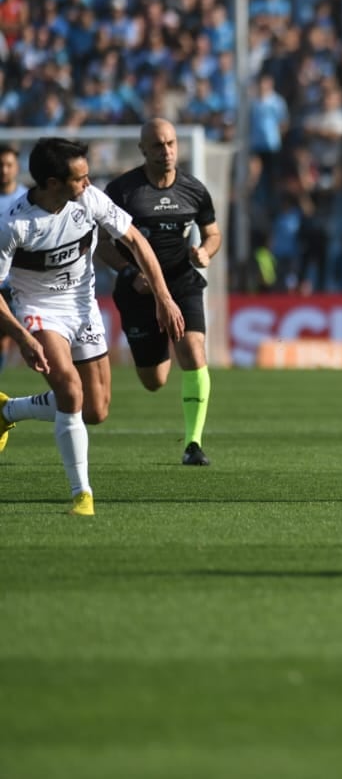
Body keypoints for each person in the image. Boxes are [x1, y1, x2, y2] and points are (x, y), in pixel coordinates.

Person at [0, 137, 184, 515]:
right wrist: (21, 336)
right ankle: (82, 494)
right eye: (79, 178)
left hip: (83, 308)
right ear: (52, 183)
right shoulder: (14, 225)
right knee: (69, 389)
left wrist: (164, 298)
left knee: (95, 410)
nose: (87, 183)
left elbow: (135, 241)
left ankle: (7, 412)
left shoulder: (90, 200)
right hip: (38, 309)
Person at [95, 119, 221, 465]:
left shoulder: (194, 190)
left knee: (194, 352)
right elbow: (102, 245)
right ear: (143, 150)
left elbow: (212, 233)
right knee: (154, 380)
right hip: (138, 289)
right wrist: (129, 271)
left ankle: (193, 444)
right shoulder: (123, 192)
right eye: (158, 146)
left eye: (171, 144)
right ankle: (156, 348)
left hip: (182, 283)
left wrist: (205, 253)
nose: (166, 152)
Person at [0, 145, 27, 374]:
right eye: (1, 165)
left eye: (9, 165)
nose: (4, 170)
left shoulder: (27, 199)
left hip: (21, 281)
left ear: (17, 167)